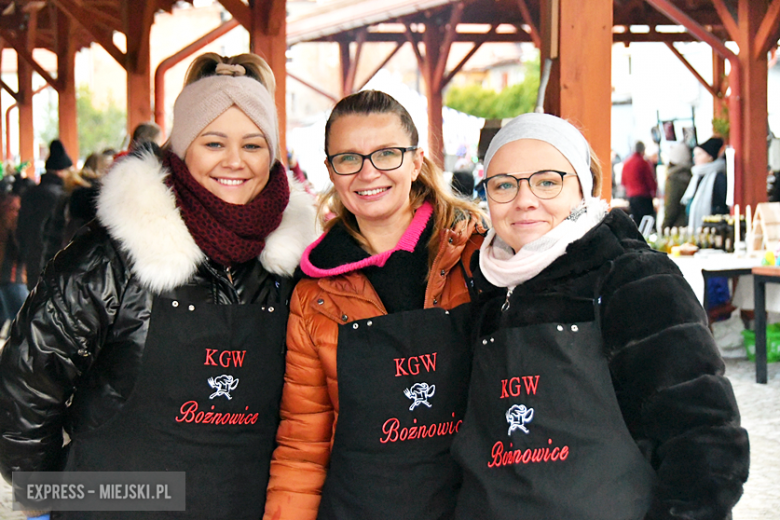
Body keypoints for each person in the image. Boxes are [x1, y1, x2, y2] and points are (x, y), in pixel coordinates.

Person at [0, 52, 318, 519]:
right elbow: (24, 390)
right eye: (214, 143)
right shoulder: (109, 257)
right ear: (183, 147)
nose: (235, 161)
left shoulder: (293, 265)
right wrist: (62, 497)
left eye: (253, 145)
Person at [451, 113, 749, 520]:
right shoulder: (484, 284)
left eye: (547, 181)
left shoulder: (633, 277)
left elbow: (705, 440)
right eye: (504, 184)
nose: (524, 200)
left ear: (583, 185)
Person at [264, 90, 486, 520]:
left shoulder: (478, 258)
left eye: (386, 154)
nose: (368, 173)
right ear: (330, 170)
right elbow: (303, 447)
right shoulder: (314, 294)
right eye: (349, 158)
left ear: (416, 161)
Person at [16, 139, 73, 290]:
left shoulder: (29, 194)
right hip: (54, 263)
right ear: (61, 171)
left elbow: (20, 230)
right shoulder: (61, 198)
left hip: (31, 260)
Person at [682, 137, 727, 231]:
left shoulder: (719, 177)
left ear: (710, 156)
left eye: (699, 154)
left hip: (712, 226)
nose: (695, 158)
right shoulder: (696, 176)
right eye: (695, 155)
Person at [620, 140, 657, 225]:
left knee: (636, 224)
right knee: (647, 223)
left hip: (632, 198)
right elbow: (650, 180)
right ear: (643, 150)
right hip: (644, 198)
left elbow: (623, 182)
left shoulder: (626, 163)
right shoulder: (644, 163)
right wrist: (654, 193)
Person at [661, 142, 693, 230]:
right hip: (687, 224)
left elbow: (671, 206)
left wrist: (664, 226)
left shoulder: (674, 178)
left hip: (675, 227)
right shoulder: (691, 175)